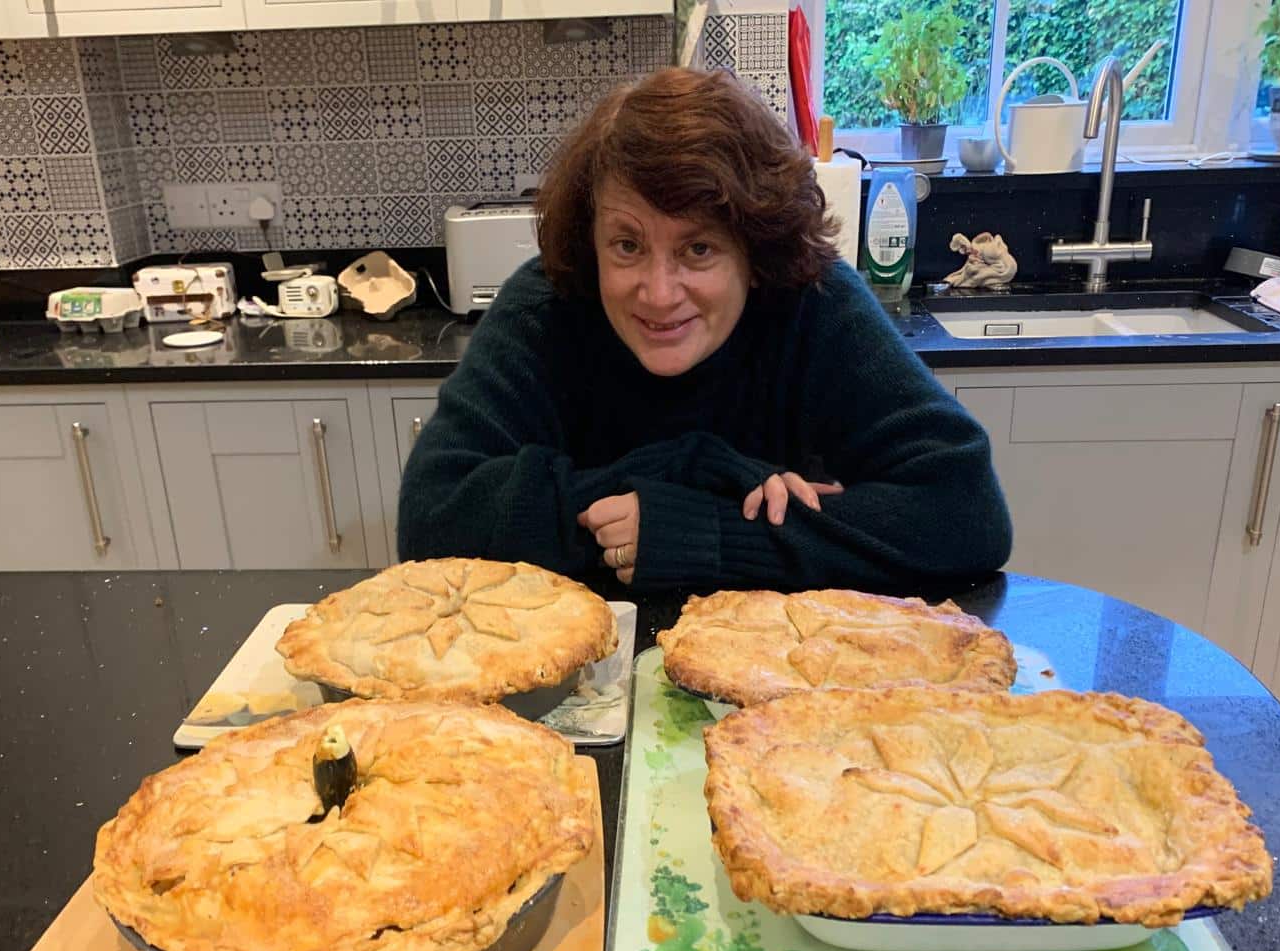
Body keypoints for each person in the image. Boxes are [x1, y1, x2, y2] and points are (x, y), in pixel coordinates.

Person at [398, 67, 1010, 593]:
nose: (659, 294)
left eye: (697, 249)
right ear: (591, 240)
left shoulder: (812, 302)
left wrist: (708, 532)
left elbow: (964, 510)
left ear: (754, 249)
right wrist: (690, 465)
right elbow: (430, 521)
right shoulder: (545, 305)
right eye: (627, 245)